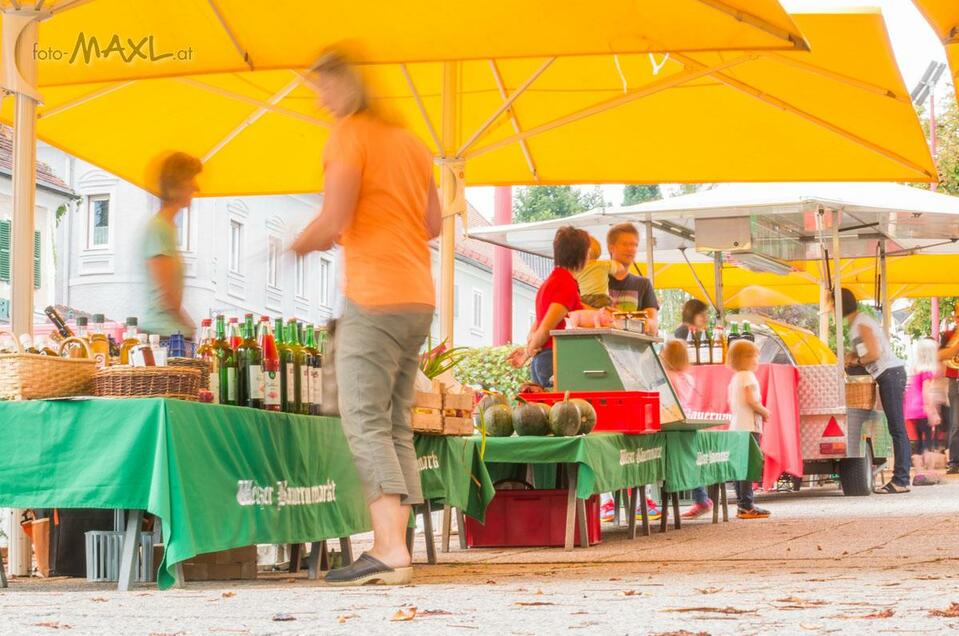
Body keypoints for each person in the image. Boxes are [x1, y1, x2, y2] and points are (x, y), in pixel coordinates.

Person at [292, 51, 441, 586]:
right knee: (396, 422)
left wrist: (292, 245)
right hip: (418, 297)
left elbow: (332, 221)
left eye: (324, 87)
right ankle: (398, 546)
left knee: (364, 418)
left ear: (347, 86)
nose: (319, 98)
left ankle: (386, 549)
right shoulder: (412, 143)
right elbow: (432, 224)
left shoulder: (348, 135)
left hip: (374, 295)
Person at [840, 288, 911, 494]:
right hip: (888, 375)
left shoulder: (860, 323)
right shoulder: (858, 322)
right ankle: (901, 479)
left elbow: (874, 352)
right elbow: (867, 349)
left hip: (890, 374)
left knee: (897, 428)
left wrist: (856, 360)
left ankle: (901, 480)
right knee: (896, 428)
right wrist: (853, 355)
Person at [140, 152, 202, 339]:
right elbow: (168, 296)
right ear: (177, 184)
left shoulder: (167, 229)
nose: (196, 187)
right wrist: (190, 327)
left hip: (170, 334)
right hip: (164, 337)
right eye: (191, 180)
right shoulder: (159, 229)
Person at [523, 227, 591, 388]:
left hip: (543, 359)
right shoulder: (566, 284)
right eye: (588, 252)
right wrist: (527, 352)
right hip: (553, 359)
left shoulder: (552, 281)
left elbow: (538, 325)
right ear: (580, 254)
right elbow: (547, 327)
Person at [660, 339, 714, 519]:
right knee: (691, 461)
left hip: (671, 422)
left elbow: (667, 402)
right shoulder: (687, 377)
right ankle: (702, 498)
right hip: (688, 421)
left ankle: (664, 506)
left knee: (666, 463)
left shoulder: (667, 376)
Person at [727, 339, 772, 518]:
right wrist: (765, 412)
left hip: (737, 426)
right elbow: (750, 399)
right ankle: (746, 505)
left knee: (740, 467)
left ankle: (742, 504)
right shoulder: (747, 376)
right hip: (748, 426)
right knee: (747, 467)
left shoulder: (736, 377)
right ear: (744, 359)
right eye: (754, 357)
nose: (757, 361)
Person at [606, 223, 659, 335]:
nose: (631, 249)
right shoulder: (596, 279)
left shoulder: (643, 284)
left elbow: (653, 327)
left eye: (634, 245)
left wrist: (624, 318)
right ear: (611, 247)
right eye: (625, 244)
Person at [904, 338, 942, 457]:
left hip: (912, 410)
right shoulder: (927, 371)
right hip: (922, 409)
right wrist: (933, 411)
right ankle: (929, 472)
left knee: (919, 443)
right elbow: (926, 392)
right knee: (928, 443)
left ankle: (919, 472)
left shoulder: (915, 369)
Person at [937, 304, 959, 475]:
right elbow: (939, 356)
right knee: (956, 422)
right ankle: (955, 461)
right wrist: (955, 348)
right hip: (955, 380)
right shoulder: (949, 335)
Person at [576, 236, 626, 309]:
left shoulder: (578, 269)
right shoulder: (604, 264)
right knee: (606, 311)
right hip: (601, 297)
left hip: (584, 298)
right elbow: (620, 267)